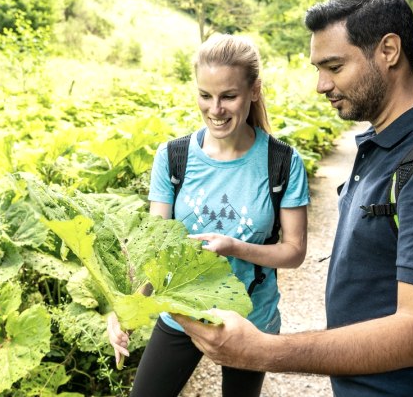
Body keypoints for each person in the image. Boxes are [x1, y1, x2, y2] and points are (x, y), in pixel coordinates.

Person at [174, 0, 413, 396]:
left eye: (334, 66)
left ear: (389, 50)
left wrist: (264, 351)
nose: (321, 85)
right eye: (318, 68)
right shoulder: (381, 143)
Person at [107, 33, 310, 397]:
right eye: (205, 95)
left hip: (252, 318)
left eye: (228, 96)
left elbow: (293, 252)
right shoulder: (172, 157)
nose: (215, 109)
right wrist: (127, 307)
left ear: (253, 91)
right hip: (181, 311)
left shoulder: (282, 162)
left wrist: (235, 247)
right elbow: (154, 249)